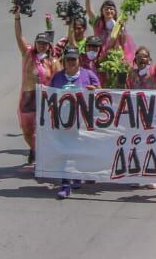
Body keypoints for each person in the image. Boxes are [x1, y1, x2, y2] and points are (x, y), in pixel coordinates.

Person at [49, 46, 101, 199]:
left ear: (79, 60)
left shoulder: (88, 75)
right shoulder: (57, 77)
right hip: (63, 121)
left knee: (79, 149)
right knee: (65, 151)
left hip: (83, 121)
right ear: (63, 61)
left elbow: (101, 93)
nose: (71, 62)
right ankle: (65, 184)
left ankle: (77, 175)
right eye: (68, 59)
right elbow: (49, 97)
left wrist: (94, 90)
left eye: (74, 59)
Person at [14, 14, 57, 166]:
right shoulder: (27, 54)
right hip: (28, 97)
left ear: (48, 45)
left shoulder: (53, 61)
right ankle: (35, 149)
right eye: (39, 43)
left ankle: (41, 154)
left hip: (45, 98)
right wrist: (17, 18)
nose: (42, 45)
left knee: (44, 130)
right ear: (35, 43)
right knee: (27, 130)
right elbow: (19, 36)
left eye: (45, 43)